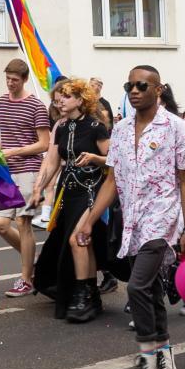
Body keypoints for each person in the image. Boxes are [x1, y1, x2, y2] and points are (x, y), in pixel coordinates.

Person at [74, 65, 185, 369]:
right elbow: (112, 181)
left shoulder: (176, 128)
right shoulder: (123, 130)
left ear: (159, 89)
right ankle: (166, 359)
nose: (134, 90)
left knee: (139, 285)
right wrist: (88, 220)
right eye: (130, 85)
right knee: (152, 290)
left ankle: (147, 364)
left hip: (163, 219)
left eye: (142, 85)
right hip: (133, 222)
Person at [30, 77, 118, 323]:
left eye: (66, 97)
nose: (60, 101)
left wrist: (94, 158)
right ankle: (90, 295)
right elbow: (53, 162)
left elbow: (114, 159)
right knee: (83, 242)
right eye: (58, 99)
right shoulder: (62, 126)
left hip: (91, 189)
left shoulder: (95, 126)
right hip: (67, 191)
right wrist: (39, 188)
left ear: (81, 99)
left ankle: (82, 294)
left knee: (77, 239)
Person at [0, 59, 50, 299]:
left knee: (22, 223)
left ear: (24, 79)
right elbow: (3, 136)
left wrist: (14, 151)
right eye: (7, 79)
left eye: (14, 80)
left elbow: (44, 144)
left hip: (29, 169)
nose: (10, 84)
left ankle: (26, 279)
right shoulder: (2, 101)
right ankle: (33, 260)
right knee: (0, 224)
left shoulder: (36, 106)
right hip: (6, 170)